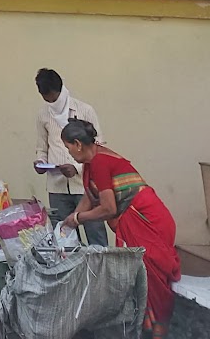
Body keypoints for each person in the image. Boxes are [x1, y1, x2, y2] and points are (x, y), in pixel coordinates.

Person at [61, 118, 181, 339]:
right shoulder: (92, 162)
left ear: (77, 144)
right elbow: (91, 197)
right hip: (139, 219)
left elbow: (107, 208)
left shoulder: (99, 163)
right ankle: (148, 326)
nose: (68, 153)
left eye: (68, 148)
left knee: (152, 276)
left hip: (147, 219)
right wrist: (70, 220)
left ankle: (160, 329)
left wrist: (78, 218)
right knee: (140, 275)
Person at [34, 68, 107, 246]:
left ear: (61, 90)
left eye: (54, 98)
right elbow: (41, 147)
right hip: (57, 188)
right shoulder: (43, 114)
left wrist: (77, 168)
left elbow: (99, 149)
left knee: (95, 235)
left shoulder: (85, 110)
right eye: (47, 99)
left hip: (85, 186)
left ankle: (101, 272)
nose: (52, 102)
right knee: (64, 239)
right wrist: (41, 163)